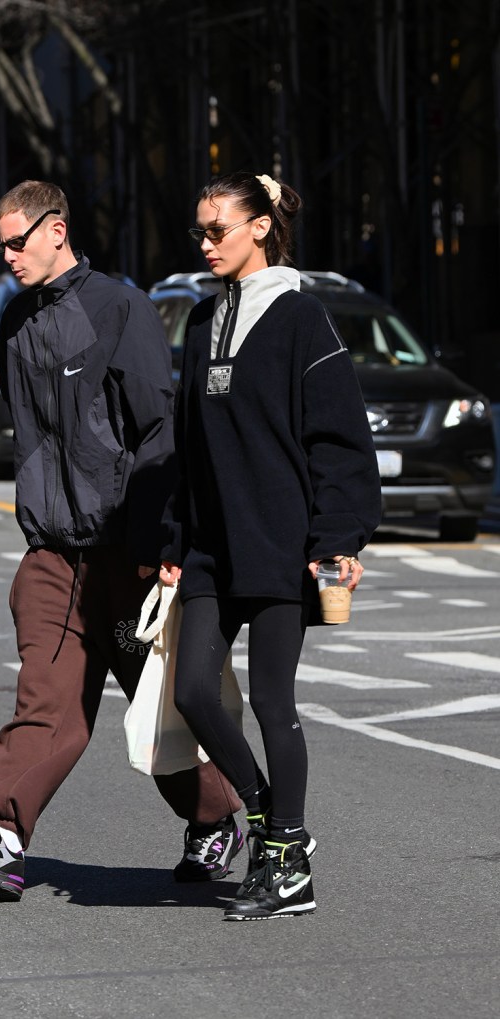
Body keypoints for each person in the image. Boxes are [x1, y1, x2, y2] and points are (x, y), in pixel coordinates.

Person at [0, 180, 242, 902]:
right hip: (51, 556)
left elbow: (159, 431)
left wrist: (161, 537)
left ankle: (218, 817)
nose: (5, 255)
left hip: (125, 554)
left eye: (15, 240)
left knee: (155, 706)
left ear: (56, 230)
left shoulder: (119, 308)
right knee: (46, 705)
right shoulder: (13, 323)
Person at [159, 170, 382, 921]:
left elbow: (339, 439)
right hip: (212, 548)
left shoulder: (301, 318)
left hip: (282, 544)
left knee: (271, 701)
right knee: (193, 690)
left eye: (217, 228)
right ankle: (269, 819)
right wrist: (174, 537)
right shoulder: (197, 322)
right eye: (200, 230)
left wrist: (340, 536)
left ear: (259, 227)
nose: (205, 242)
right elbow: (187, 447)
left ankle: (287, 866)